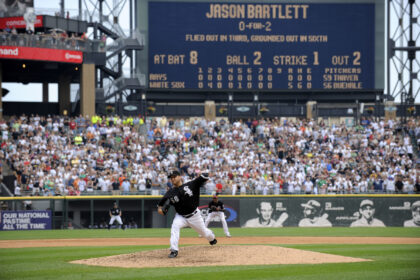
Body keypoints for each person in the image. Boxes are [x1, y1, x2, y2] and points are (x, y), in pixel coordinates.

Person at [157, 170, 217, 258]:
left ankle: (212, 239)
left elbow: (205, 177)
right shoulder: (170, 193)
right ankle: (174, 250)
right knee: (175, 227)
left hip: (194, 216)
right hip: (180, 216)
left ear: (180, 176)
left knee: (204, 233)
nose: (172, 179)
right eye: (171, 178)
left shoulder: (191, 185)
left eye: (174, 176)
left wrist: (204, 174)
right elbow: (160, 206)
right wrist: (160, 210)